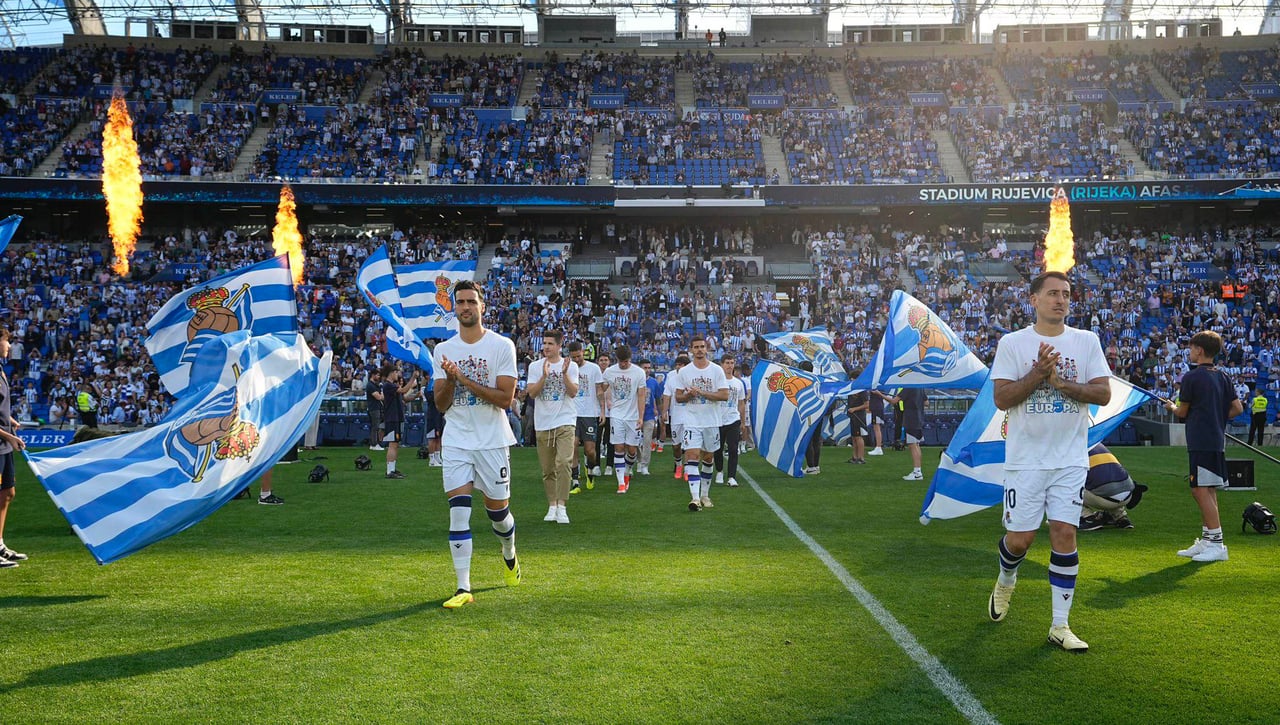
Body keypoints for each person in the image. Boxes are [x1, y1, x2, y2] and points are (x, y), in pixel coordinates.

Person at [988, 271, 1111, 653]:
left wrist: (1062, 385)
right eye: (1053, 293)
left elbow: (1103, 393)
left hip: (1070, 460)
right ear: (1034, 299)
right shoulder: (1013, 343)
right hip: (1025, 460)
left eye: (1066, 294)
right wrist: (1039, 373)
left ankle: (1060, 625)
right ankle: (1007, 576)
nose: (1061, 300)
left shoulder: (1086, 341)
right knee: (1021, 540)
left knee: (1064, 534)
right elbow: (1002, 399)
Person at [432, 280, 521, 609]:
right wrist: (451, 381)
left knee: (499, 515)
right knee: (458, 513)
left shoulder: (501, 346)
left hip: (492, 440)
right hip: (456, 440)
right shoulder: (443, 351)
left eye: (471, 301)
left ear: (482, 306)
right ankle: (462, 586)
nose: (466, 307)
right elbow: (441, 405)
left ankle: (509, 551)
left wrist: (464, 379)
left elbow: (505, 398)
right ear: (453, 308)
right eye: (460, 302)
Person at [1167, 330, 1243, 563]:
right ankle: (1208, 540)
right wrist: (1217, 420)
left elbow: (1182, 412)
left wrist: (1171, 407)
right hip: (1214, 439)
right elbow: (1237, 408)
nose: (1189, 352)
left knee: (1201, 490)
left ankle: (1217, 544)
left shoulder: (1191, 377)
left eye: (1191, 348)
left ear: (1199, 350)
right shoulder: (1223, 376)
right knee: (1205, 489)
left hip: (1201, 440)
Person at [527, 331, 579, 524]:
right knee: (548, 469)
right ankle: (552, 505)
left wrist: (564, 375)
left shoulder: (570, 366)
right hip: (543, 422)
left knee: (564, 462)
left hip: (565, 420)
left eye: (550, 343)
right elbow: (531, 393)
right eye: (544, 343)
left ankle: (563, 506)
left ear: (559, 346)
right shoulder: (535, 366)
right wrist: (543, 377)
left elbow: (573, 392)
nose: (546, 347)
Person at [675, 337, 729, 510]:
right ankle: (695, 498)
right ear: (690, 350)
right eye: (696, 347)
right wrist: (689, 395)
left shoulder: (716, 370)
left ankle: (705, 495)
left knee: (708, 458)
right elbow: (678, 397)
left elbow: (724, 395)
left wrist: (702, 393)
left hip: (711, 421)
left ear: (707, 349)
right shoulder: (684, 372)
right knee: (691, 456)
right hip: (691, 420)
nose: (699, 350)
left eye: (702, 347)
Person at [601, 345, 646, 493]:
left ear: (630, 359)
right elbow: (603, 388)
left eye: (625, 361)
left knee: (632, 450)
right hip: (616, 414)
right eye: (621, 361)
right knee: (618, 447)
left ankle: (627, 471)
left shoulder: (639, 372)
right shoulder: (609, 371)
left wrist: (641, 416)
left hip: (632, 416)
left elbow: (641, 395)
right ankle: (621, 482)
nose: (623, 364)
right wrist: (607, 400)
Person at [0, 330, 27, 568]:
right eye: (6, 341)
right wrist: (8, 435)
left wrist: (10, 420)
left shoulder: (1, 370)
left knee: (8, 493)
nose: (9, 345)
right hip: (1, 443)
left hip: (3, 444)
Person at [1078, 443, 1148, 531]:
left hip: (1105, 497)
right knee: (1109, 483)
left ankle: (1088, 518)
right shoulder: (1097, 443)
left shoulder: (1073, 448)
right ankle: (1120, 517)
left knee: (1064, 488)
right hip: (1128, 494)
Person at [567, 341, 603, 492]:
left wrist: (603, 411)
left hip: (590, 413)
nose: (576, 360)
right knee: (573, 445)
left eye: (578, 356)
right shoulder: (567, 368)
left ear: (583, 352)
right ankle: (575, 481)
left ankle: (590, 469)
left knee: (590, 450)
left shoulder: (593, 368)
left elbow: (599, 391)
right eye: (573, 357)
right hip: (572, 413)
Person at [375, 363, 418, 480]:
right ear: (391, 373)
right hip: (392, 418)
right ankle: (390, 471)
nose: (397, 375)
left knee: (395, 444)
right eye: (395, 372)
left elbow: (403, 397)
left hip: (395, 418)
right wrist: (413, 377)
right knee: (392, 445)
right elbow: (403, 390)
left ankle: (392, 469)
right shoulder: (388, 385)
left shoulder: (391, 386)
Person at [714, 354, 746, 487]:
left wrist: (743, 422)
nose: (729, 365)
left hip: (733, 419)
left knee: (733, 448)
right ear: (722, 364)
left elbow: (741, 403)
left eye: (732, 362)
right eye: (727, 362)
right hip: (718, 419)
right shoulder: (717, 381)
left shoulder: (738, 383)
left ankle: (732, 476)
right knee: (718, 448)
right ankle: (720, 471)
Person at [662, 354, 691, 480]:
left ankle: (687, 468)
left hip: (690, 417)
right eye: (677, 365)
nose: (678, 367)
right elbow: (667, 396)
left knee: (689, 444)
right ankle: (678, 464)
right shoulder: (672, 379)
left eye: (681, 365)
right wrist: (664, 411)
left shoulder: (692, 379)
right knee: (676, 445)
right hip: (676, 416)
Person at [639, 359, 662, 476]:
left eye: (649, 368)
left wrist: (660, 411)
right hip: (635, 415)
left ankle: (644, 465)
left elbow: (658, 398)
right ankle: (638, 460)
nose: (647, 370)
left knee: (647, 441)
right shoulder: (635, 381)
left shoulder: (653, 382)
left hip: (649, 415)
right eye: (645, 368)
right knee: (634, 442)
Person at [800, 361, 823, 475]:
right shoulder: (818, 380)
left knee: (808, 439)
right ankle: (815, 465)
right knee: (816, 440)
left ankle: (811, 466)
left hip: (810, 412)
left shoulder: (805, 381)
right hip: (819, 412)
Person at [899, 388, 927, 480]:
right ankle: (918, 471)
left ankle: (917, 473)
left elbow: (894, 400)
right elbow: (926, 403)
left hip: (911, 420)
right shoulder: (920, 388)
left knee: (913, 445)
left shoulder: (907, 388)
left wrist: (880, 394)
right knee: (917, 445)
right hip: (919, 419)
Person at [845, 389, 869, 465]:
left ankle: (861, 458)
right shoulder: (851, 389)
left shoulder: (862, 390)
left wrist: (854, 409)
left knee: (858, 437)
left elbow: (867, 404)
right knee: (854, 437)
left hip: (859, 416)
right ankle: (855, 457)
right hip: (853, 416)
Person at [366, 368, 384, 451]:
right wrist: (384, 394)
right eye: (377, 375)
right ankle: (374, 444)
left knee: (376, 426)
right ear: (373, 375)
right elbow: (379, 397)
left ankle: (374, 443)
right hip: (373, 408)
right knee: (375, 427)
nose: (379, 377)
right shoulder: (370, 385)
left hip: (377, 407)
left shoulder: (375, 385)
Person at [867, 390, 889, 455]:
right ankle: (878, 447)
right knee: (876, 428)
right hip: (876, 408)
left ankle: (879, 447)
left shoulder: (877, 388)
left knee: (877, 428)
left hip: (877, 408)